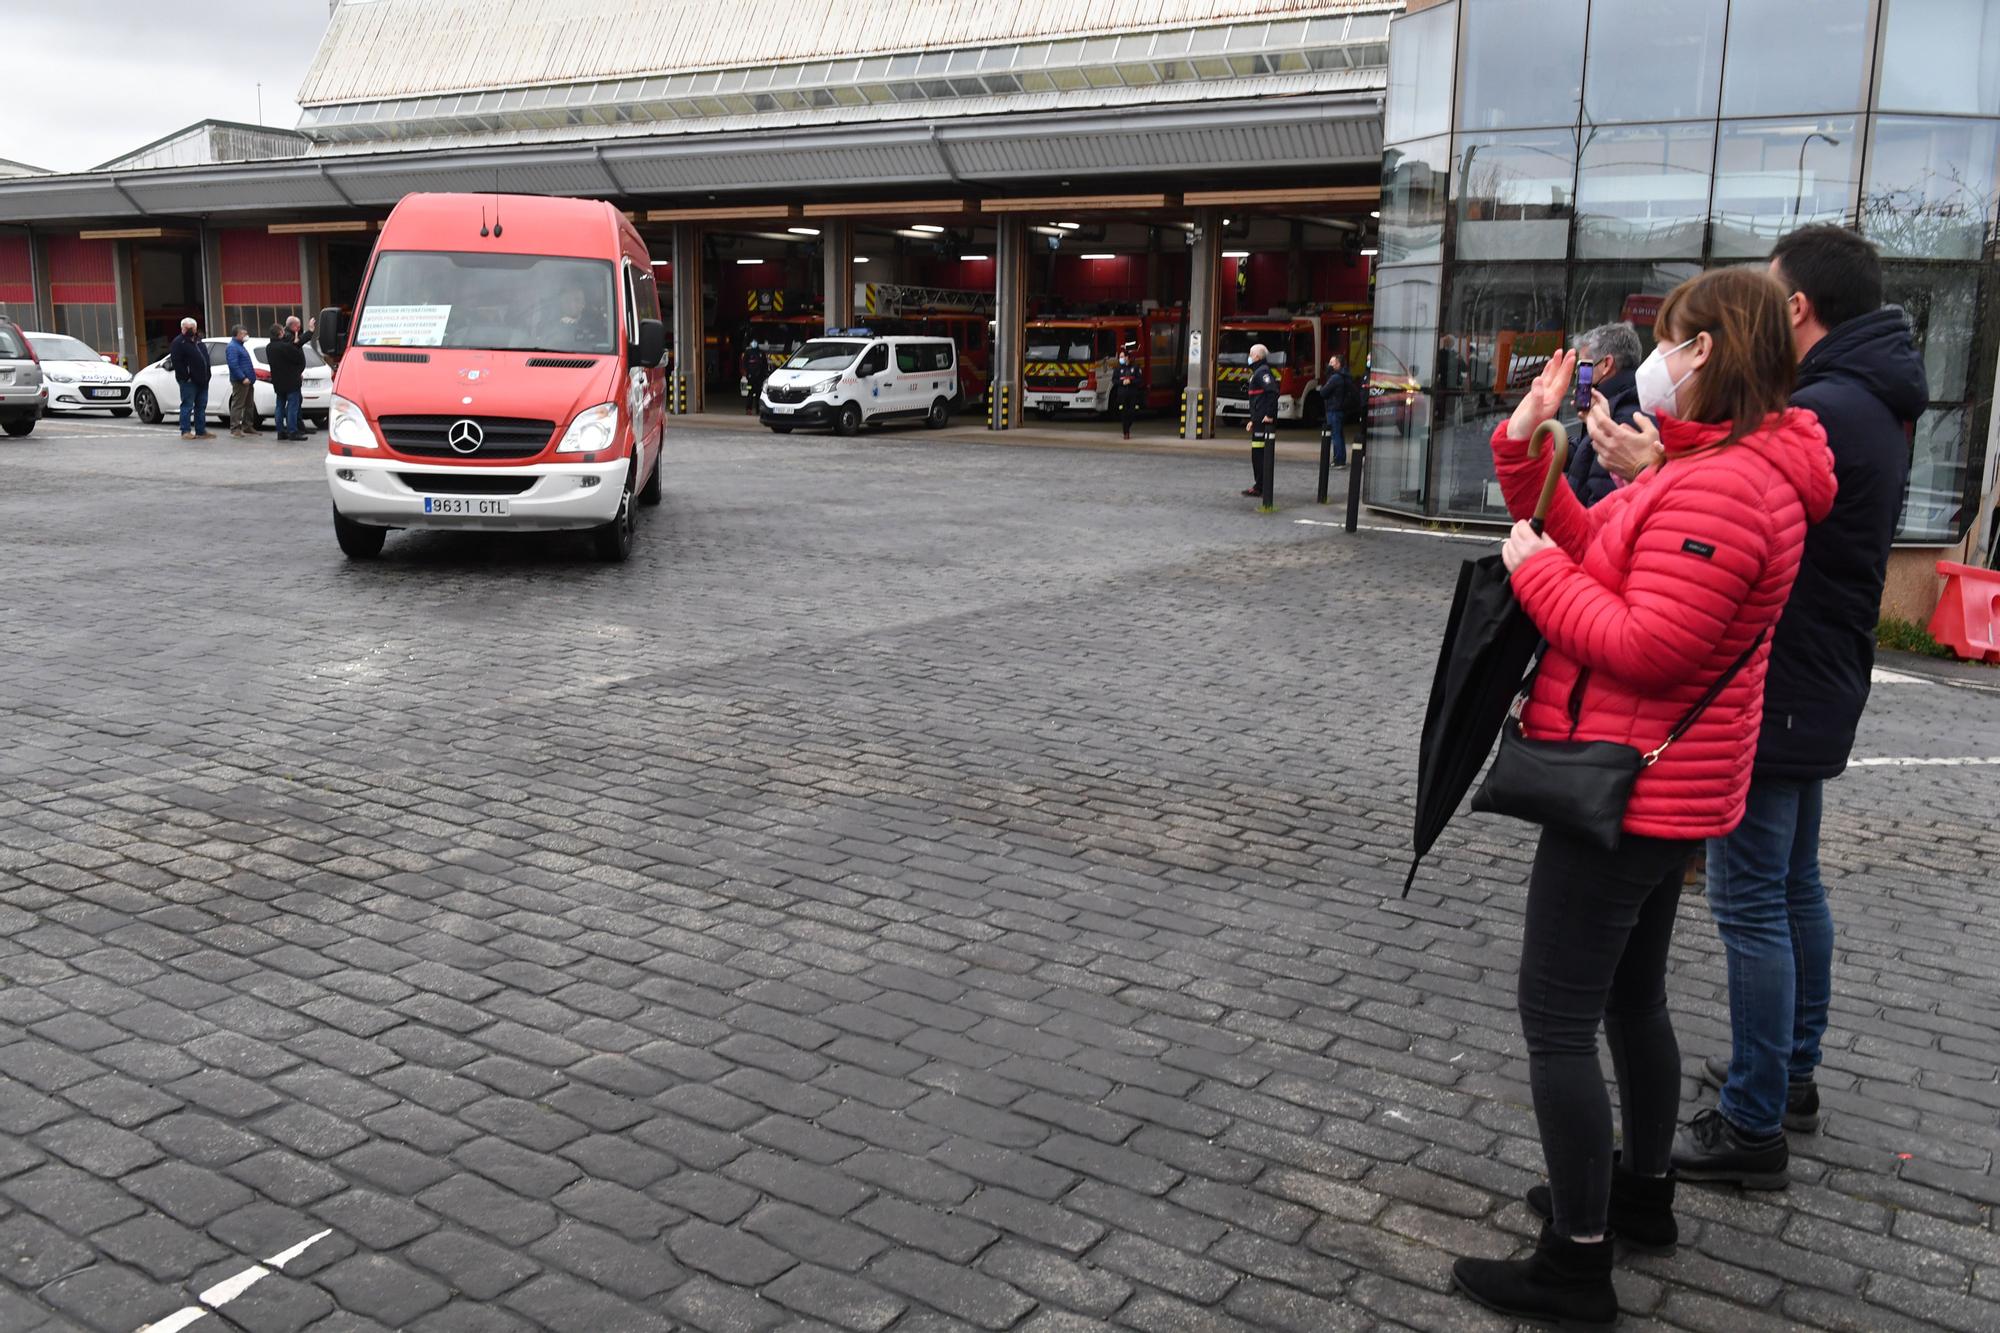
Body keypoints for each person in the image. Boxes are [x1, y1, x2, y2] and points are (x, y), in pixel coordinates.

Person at [1449, 267, 1835, 1330]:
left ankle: (1574, 1262)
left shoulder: (1722, 485)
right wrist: (1527, 446)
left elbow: (1645, 642)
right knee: (1629, 999)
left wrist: (1528, 576)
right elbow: (1602, 549)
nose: (1652, 357)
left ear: (1704, 350)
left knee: (1555, 1019)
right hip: (1663, 787)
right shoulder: (1717, 466)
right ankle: (1637, 1192)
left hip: (1627, 789)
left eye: (1668, 338)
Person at [1665, 227, 1927, 1187]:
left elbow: (1734, 517)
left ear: (1797, 308)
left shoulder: (1818, 412)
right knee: (1795, 886)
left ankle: (1752, 1120)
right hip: (1824, 676)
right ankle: (1789, 1075)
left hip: (1776, 686)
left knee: (1750, 903)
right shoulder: (1869, 401)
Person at [1564, 322, 1646, 506]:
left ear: (1606, 364)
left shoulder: (1622, 417)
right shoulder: (1614, 403)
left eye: (1583, 367)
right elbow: (1591, 460)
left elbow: (1602, 497)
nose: (1579, 376)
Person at [1242, 342, 1277, 500]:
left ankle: (1260, 487)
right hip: (1258, 421)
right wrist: (1253, 419)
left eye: (1250, 354)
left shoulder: (1262, 373)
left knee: (1260, 455)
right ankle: (1259, 485)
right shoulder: (1258, 372)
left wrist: (1269, 415)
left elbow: (1272, 392)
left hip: (1263, 423)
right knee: (1257, 454)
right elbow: (1258, 399)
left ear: (1256, 356)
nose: (1248, 357)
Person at [168, 317, 213, 440]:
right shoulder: (179, 342)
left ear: (195, 328)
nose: (189, 330)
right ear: (182, 328)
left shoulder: (199, 341)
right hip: (189, 381)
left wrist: (208, 375)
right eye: (186, 328)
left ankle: (201, 430)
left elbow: (205, 359)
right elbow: (176, 362)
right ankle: (185, 430)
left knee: (201, 406)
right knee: (187, 405)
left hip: (203, 380)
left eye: (191, 328)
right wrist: (186, 377)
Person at [266, 319, 307, 442]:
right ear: (279, 333)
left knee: (279, 406)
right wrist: (295, 344)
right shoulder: (285, 346)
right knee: (292, 406)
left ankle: (280, 431)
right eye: (282, 330)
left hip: (278, 381)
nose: (284, 332)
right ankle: (293, 431)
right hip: (291, 380)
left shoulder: (269, 347)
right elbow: (298, 357)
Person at [1319, 353, 1355, 467]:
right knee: (1339, 434)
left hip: (1334, 409)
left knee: (1336, 435)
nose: (1329, 365)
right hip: (1340, 409)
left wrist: (1327, 378)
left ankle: (1339, 459)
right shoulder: (1344, 376)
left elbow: (1323, 392)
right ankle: (1339, 458)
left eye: (1331, 363)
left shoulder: (1335, 377)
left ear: (1338, 364)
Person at [225, 326, 259, 438]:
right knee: (238, 405)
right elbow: (233, 365)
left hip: (248, 380)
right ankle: (235, 428)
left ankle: (247, 426)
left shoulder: (240, 346)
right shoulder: (232, 347)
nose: (246, 335)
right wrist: (242, 377)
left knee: (249, 404)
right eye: (244, 333)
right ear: (237, 335)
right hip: (240, 381)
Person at [1112, 345, 1143, 440]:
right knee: (1124, 413)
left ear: (1127, 357)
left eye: (1122, 357)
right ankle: (1126, 432)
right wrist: (1122, 382)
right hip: (1122, 394)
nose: (1121, 359)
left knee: (1132, 412)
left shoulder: (1135, 367)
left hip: (1132, 394)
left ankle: (1127, 426)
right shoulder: (1118, 369)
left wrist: (1131, 381)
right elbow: (1114, 380)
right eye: (1120, 357)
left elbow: (1140, 380)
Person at [742, 340, 770, 415]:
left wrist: (764, 375)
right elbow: (744, 364)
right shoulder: (748, 353)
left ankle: (759, 410)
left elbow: (765, 365)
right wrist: (747, 374)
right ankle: (749, 409)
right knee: (750, 393)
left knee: (759, 394)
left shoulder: (761, 353)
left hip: (759, 379)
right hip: (750, 379)